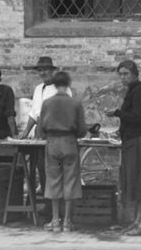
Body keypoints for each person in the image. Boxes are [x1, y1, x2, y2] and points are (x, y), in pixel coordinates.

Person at [30, 68, 87, 235]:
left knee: (53, 181)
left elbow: (40, 129)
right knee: (70, 180)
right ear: (68, 84)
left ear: (54, 84)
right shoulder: (75, 103)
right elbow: (82, 129)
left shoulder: (47, 103)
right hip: (69, 142)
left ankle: (55, 221)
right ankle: (68, 221)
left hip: (52, 143)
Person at [108, 59, 141, 234]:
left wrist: (117, 113)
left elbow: (137, 116)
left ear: (135, 74)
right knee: (136, 180)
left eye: (126, 74)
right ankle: (138, 219)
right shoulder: (133, 90)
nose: (123, 77)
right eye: (120, 74)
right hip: (134, 139)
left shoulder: (139, 91)